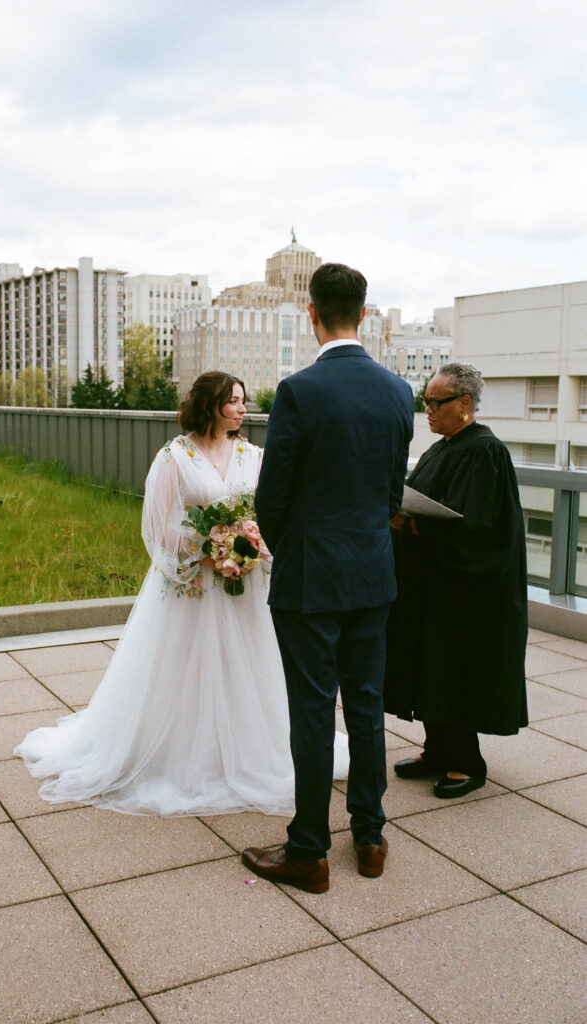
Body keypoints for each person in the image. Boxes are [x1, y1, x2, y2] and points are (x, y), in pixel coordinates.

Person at [14, 371, 349, 816]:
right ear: (212, 406)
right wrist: (206, 552)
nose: (243, 409)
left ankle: (252, 752)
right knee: (186, 669)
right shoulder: (175, 457)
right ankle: (183, 758)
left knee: (246, 667)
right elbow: (158, 527)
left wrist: (250, 548)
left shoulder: (253, 456)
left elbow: (272, 512)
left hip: (244, 587)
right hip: (193, 585)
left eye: (243, 401)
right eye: (234, 401)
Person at [241, 263, 414, 893]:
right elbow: (393, 491)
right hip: (373, 573)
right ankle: (370, 836)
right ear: (363, 315)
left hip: (312, 578)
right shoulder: (399, 393)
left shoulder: (299, 390)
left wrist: (293, 552)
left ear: (311, 315)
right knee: (367, 707)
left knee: (313, 714)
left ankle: (309, 851)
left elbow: (272, 498)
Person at [385, 363, 528, 798]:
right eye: (425, 402)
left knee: (455, 669)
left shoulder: (485, 452)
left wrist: (414, 527)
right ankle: (437, 750)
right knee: (429, 666)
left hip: (468, 590)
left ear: (465, 403)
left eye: (436, 402)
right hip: (434, 582)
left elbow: (480, 527)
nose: (427, 411)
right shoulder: (442, 448)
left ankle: (467, 761)